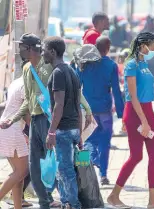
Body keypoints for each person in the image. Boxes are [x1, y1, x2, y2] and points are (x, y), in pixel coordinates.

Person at [1, 33, 92, 209]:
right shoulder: (27, 68)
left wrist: (87, 109)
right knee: (34, 166)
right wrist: (13, 118)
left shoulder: (51, 66)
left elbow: (72, 92)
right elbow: (28, 99)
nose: (19, 49)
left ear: (28, 48)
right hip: (34, 120)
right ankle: (45, 203)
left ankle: (70, 201)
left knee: (59, 163)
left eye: (21, 46)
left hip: (50, 120)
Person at [107, 32, 154, 209]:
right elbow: (132, 96)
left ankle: (153, 200)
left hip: (148, 110)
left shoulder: (144, 63)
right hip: (136, 113)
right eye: (152, 47)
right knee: (136, 156)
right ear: (143, 45)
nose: (153, 51)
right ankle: (114, 195)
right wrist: (144, 121)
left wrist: (149, 118)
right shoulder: (131, 65)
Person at [73, 36, 124, 185]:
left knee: (86, 141)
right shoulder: (111, 66)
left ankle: (82, 175)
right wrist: (121, 112)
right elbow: (116, 90)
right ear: (108, 48)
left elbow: (77, 85)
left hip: (87, 111)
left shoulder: (85, 65)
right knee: (105, 142)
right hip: (105, 111)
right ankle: (103, 174)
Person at [42, 36, 82, 209]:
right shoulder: (71, 71)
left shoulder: (58, 73)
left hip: (63, 130)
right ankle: (66, 201)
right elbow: (77, 105)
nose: (42, 52)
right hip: (73, 128)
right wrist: (79, 132)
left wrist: (51, 132)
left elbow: (58, 105)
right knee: (64, 169)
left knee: (66, 170)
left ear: (52, 52)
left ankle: (73, 204)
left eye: (44, 49)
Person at [0, 76, 29, 209]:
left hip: (7, 127)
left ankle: (18, 207)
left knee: (19, 174)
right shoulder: (26, 84)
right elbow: (26, 113)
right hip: (14, 129)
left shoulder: (15, 82)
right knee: (22, 171)